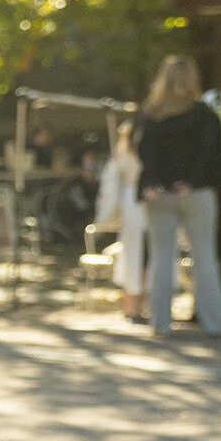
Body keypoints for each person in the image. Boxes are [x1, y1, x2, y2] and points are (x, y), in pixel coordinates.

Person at [136, 54, 221, 338]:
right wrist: (192, 182)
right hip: (196, 193)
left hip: (158, 194)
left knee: (162, 259)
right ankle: (215, 324)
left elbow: (143, 152)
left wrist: (151, 183)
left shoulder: (151, 116)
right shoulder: (205, 116)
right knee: (204, 257)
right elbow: (212, 154)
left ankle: (160, 323)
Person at [96, 121, 148, 324]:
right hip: (138, 203)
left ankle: (133, 306)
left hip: (133, 203)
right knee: (137, 254)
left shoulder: (123, 155)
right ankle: (135, 305)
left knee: (136, 254)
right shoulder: (127, 155)